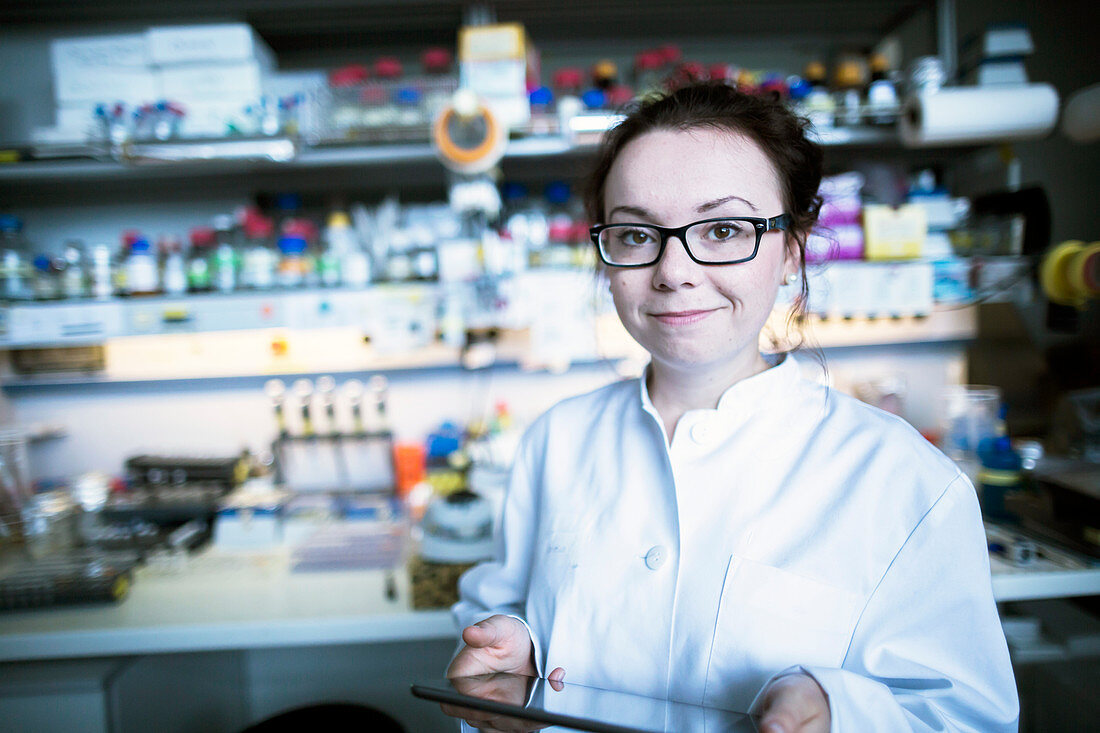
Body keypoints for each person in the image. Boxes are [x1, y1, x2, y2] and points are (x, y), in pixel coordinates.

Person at [448, 83, 1019, 732]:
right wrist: (516, 655)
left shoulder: (908, 482)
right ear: (606, 255)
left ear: (791, 252)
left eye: (722, 229)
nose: (674, 270)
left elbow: (967, 716)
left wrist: (838, 713)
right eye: (637, 233)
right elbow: (500, 613)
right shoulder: (557, 439)